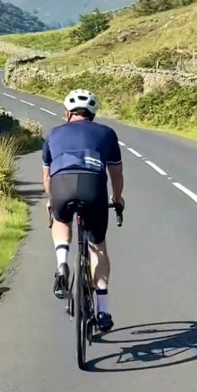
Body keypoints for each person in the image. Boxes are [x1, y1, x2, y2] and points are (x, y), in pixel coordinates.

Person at [42, 88, 125, 332]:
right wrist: (117, 199)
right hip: (93, 188)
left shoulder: (53, 133)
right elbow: (116, 174)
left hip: (62, 186)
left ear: (67, 112)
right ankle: (103, 311)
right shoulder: (106, 133)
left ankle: (61, 264)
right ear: (93, 114)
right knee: (97, 247)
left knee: (61, 221)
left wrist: (51, 199)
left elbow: (47, 176)